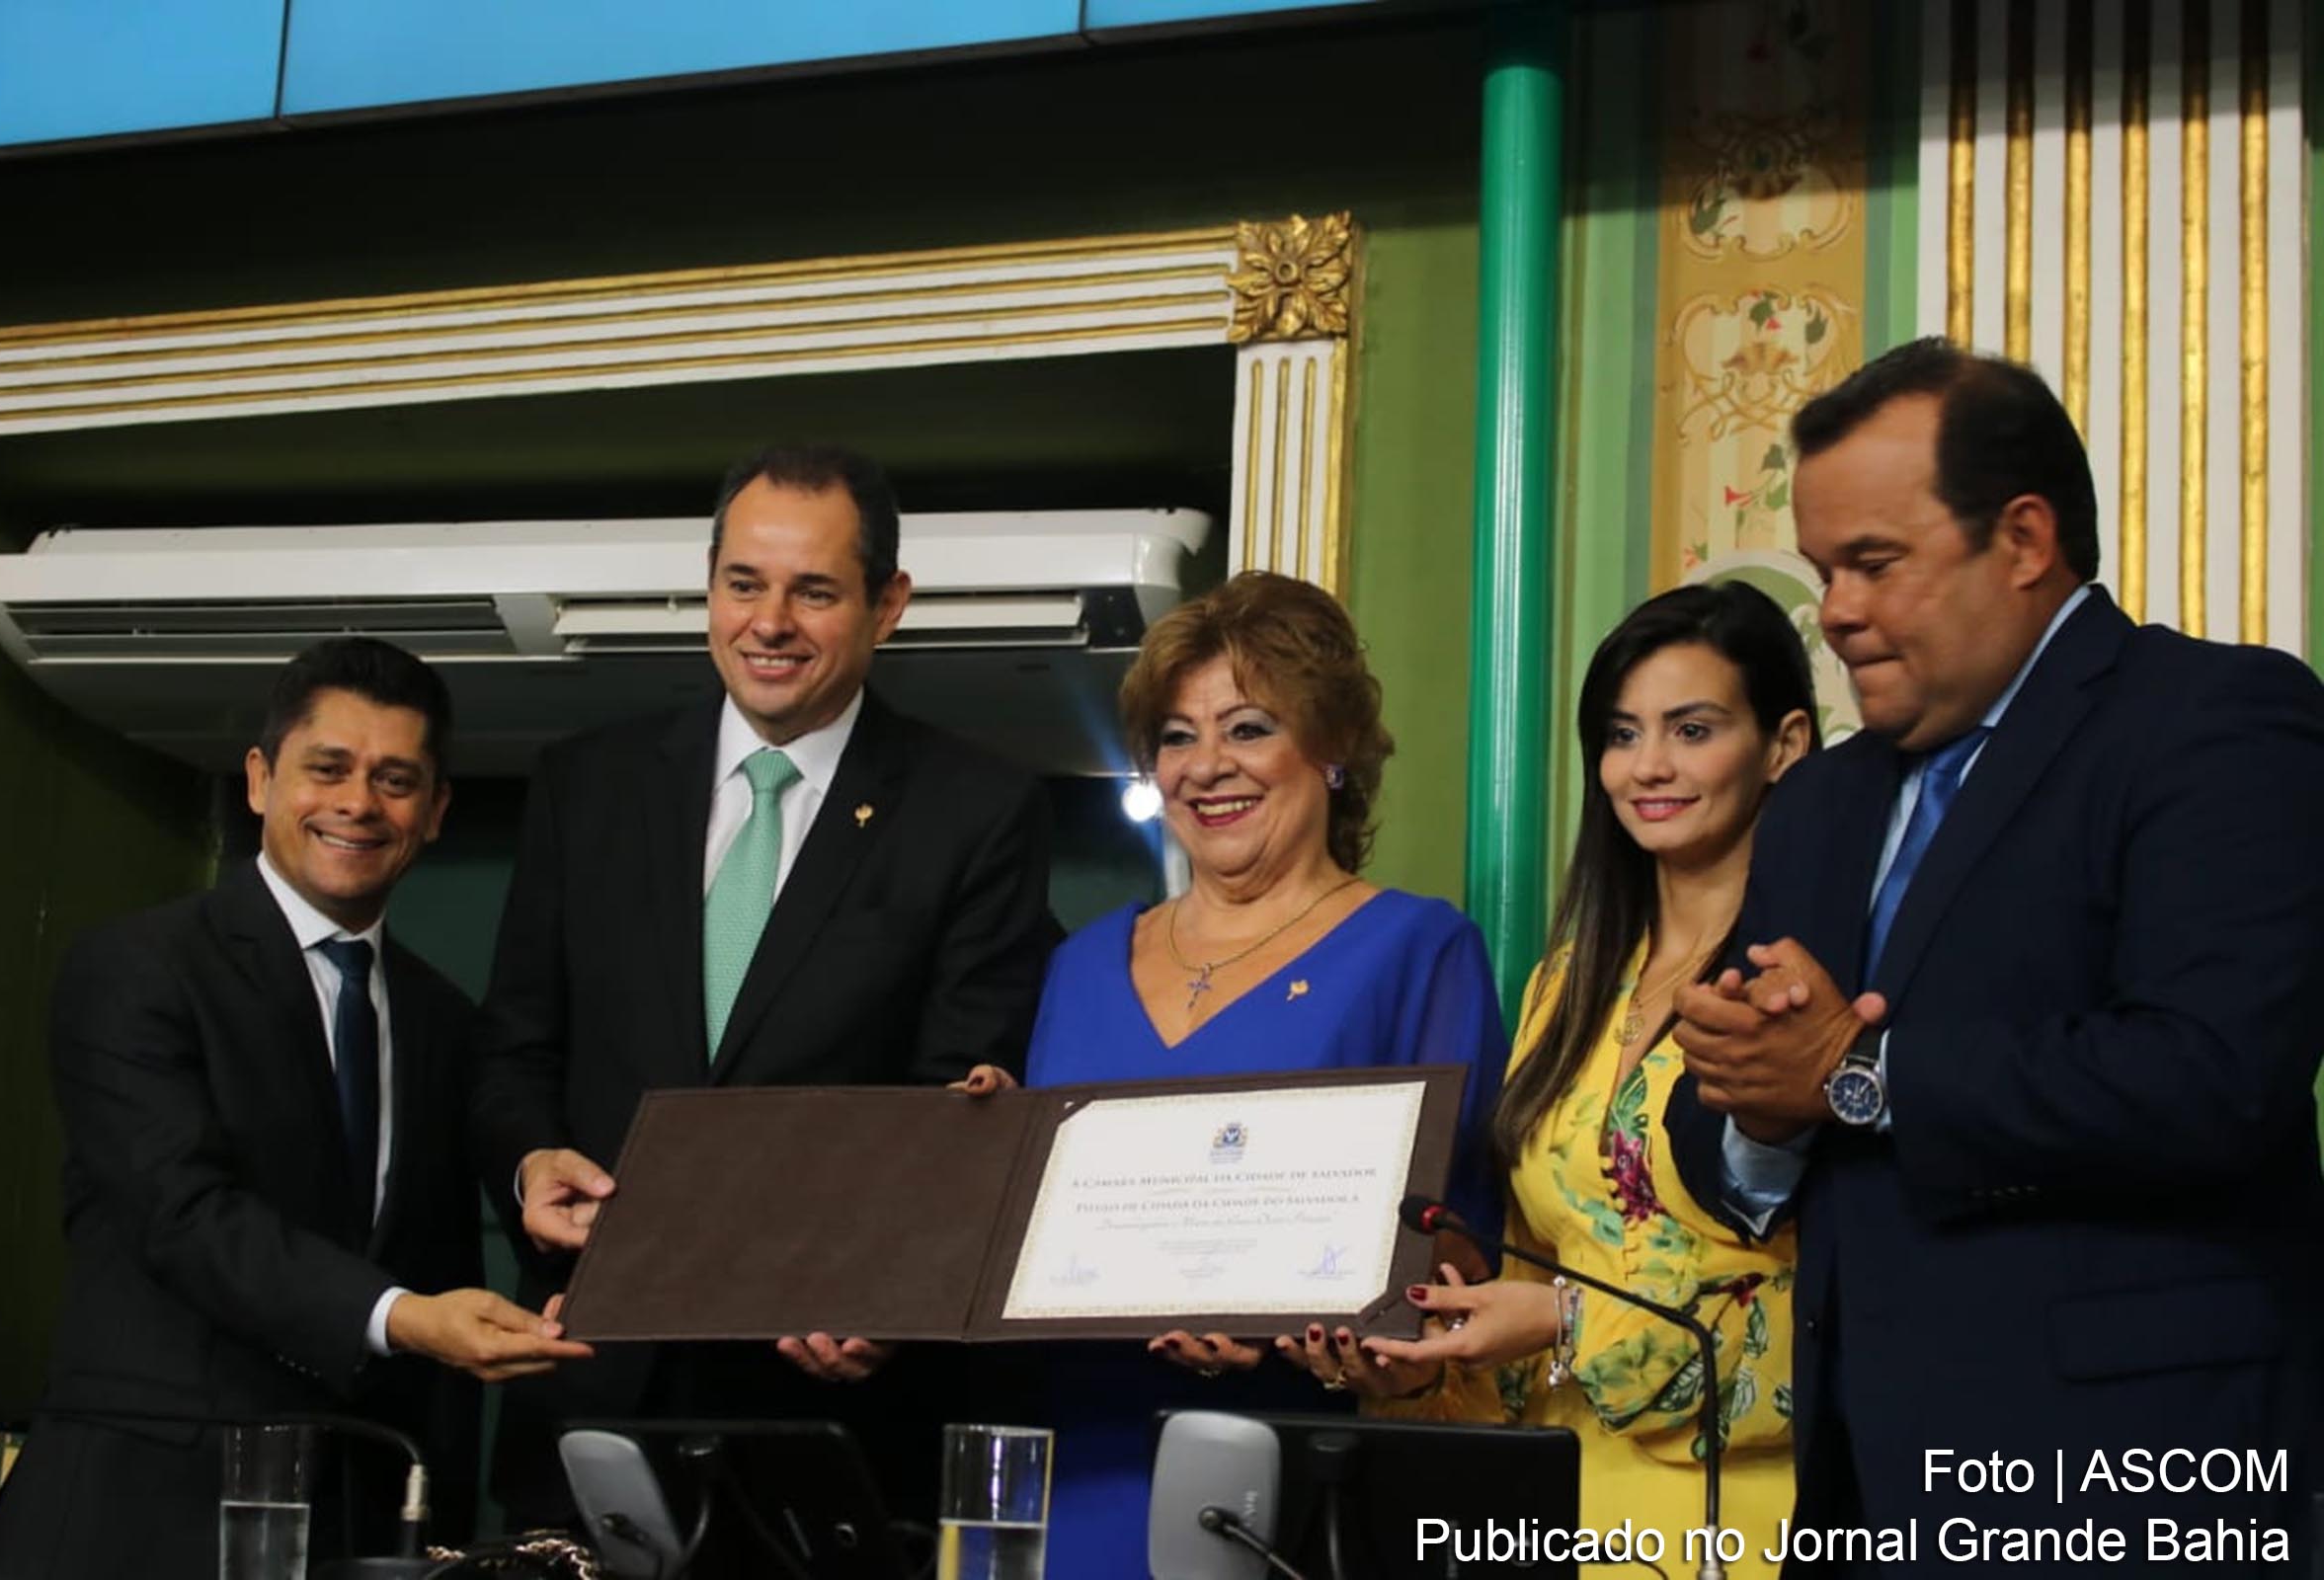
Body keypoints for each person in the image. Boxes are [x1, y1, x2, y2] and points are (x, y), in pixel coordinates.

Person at [1664, 339, 2324, 1572]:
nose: (1836, 611)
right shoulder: (1819, 802)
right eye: (1822, 571)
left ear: (2023, 541)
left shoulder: (2217, 721)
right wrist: (1763, 1102)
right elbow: (1739, 1120)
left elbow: (2215, 1075)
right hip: (1866, 1492)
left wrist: (1857, 1074)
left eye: (1874, 563)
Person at [473, 443, 1060, 1522]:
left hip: (824, 1416)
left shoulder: (977, 810)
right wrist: (527, 1163)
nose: (770, 621)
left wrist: (887, 1283)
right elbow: (516, 1049)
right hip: (588, 1384)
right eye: (744, 582)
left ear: (888, 605)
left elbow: (961, 1101)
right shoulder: (584, 786)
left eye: (814, 590)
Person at [0, 637, 590, 1580]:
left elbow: (457, 1232)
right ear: (261, 780)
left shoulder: (447, 1022)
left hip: (356, 1524)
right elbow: (183, 1216)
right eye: (328, 769)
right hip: (134, 1520)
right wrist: (405, 1318)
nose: (357, 803)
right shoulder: (138, 969)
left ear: (433, 812)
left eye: (395, 780)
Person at [974, 571, 1509, 1577]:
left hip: (1294, 1474)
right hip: (1078, 1465)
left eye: (1250, 727)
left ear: (1334, 747)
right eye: (1177, 736)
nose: (1207, 766)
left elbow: (1462, 1249)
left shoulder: (1419, 946)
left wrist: (1331, 1336)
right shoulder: (1079, 963)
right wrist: (984, 1163)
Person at [1334, 582, 1815, 1577]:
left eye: (1693, 728)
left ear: (1786, 743)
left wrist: (1562, 1317)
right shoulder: (1568, 984)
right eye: (1622, 733)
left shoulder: (1811, 986)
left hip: (1758, 1527)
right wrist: (1419, 1359)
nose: (1648, 767)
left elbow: (1841, 1312)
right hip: (1563, 1517)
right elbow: (1533, 1285)